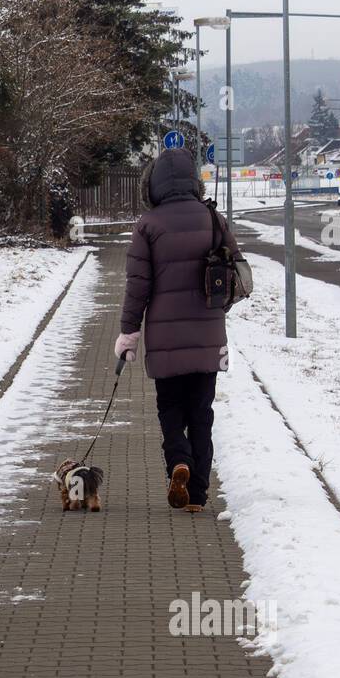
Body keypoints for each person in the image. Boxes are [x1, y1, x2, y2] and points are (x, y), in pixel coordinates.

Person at [114, 148, 243, 513]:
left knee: (170, 410)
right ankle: (198, 495)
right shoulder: (212, 218)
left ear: (153, 184)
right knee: (201, 413)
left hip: (166, 341)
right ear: (194, 180)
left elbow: (137, 286)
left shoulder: (148, 225)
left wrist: (128, 335)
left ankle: (178, 461)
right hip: (208, 336)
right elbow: (234, 272)